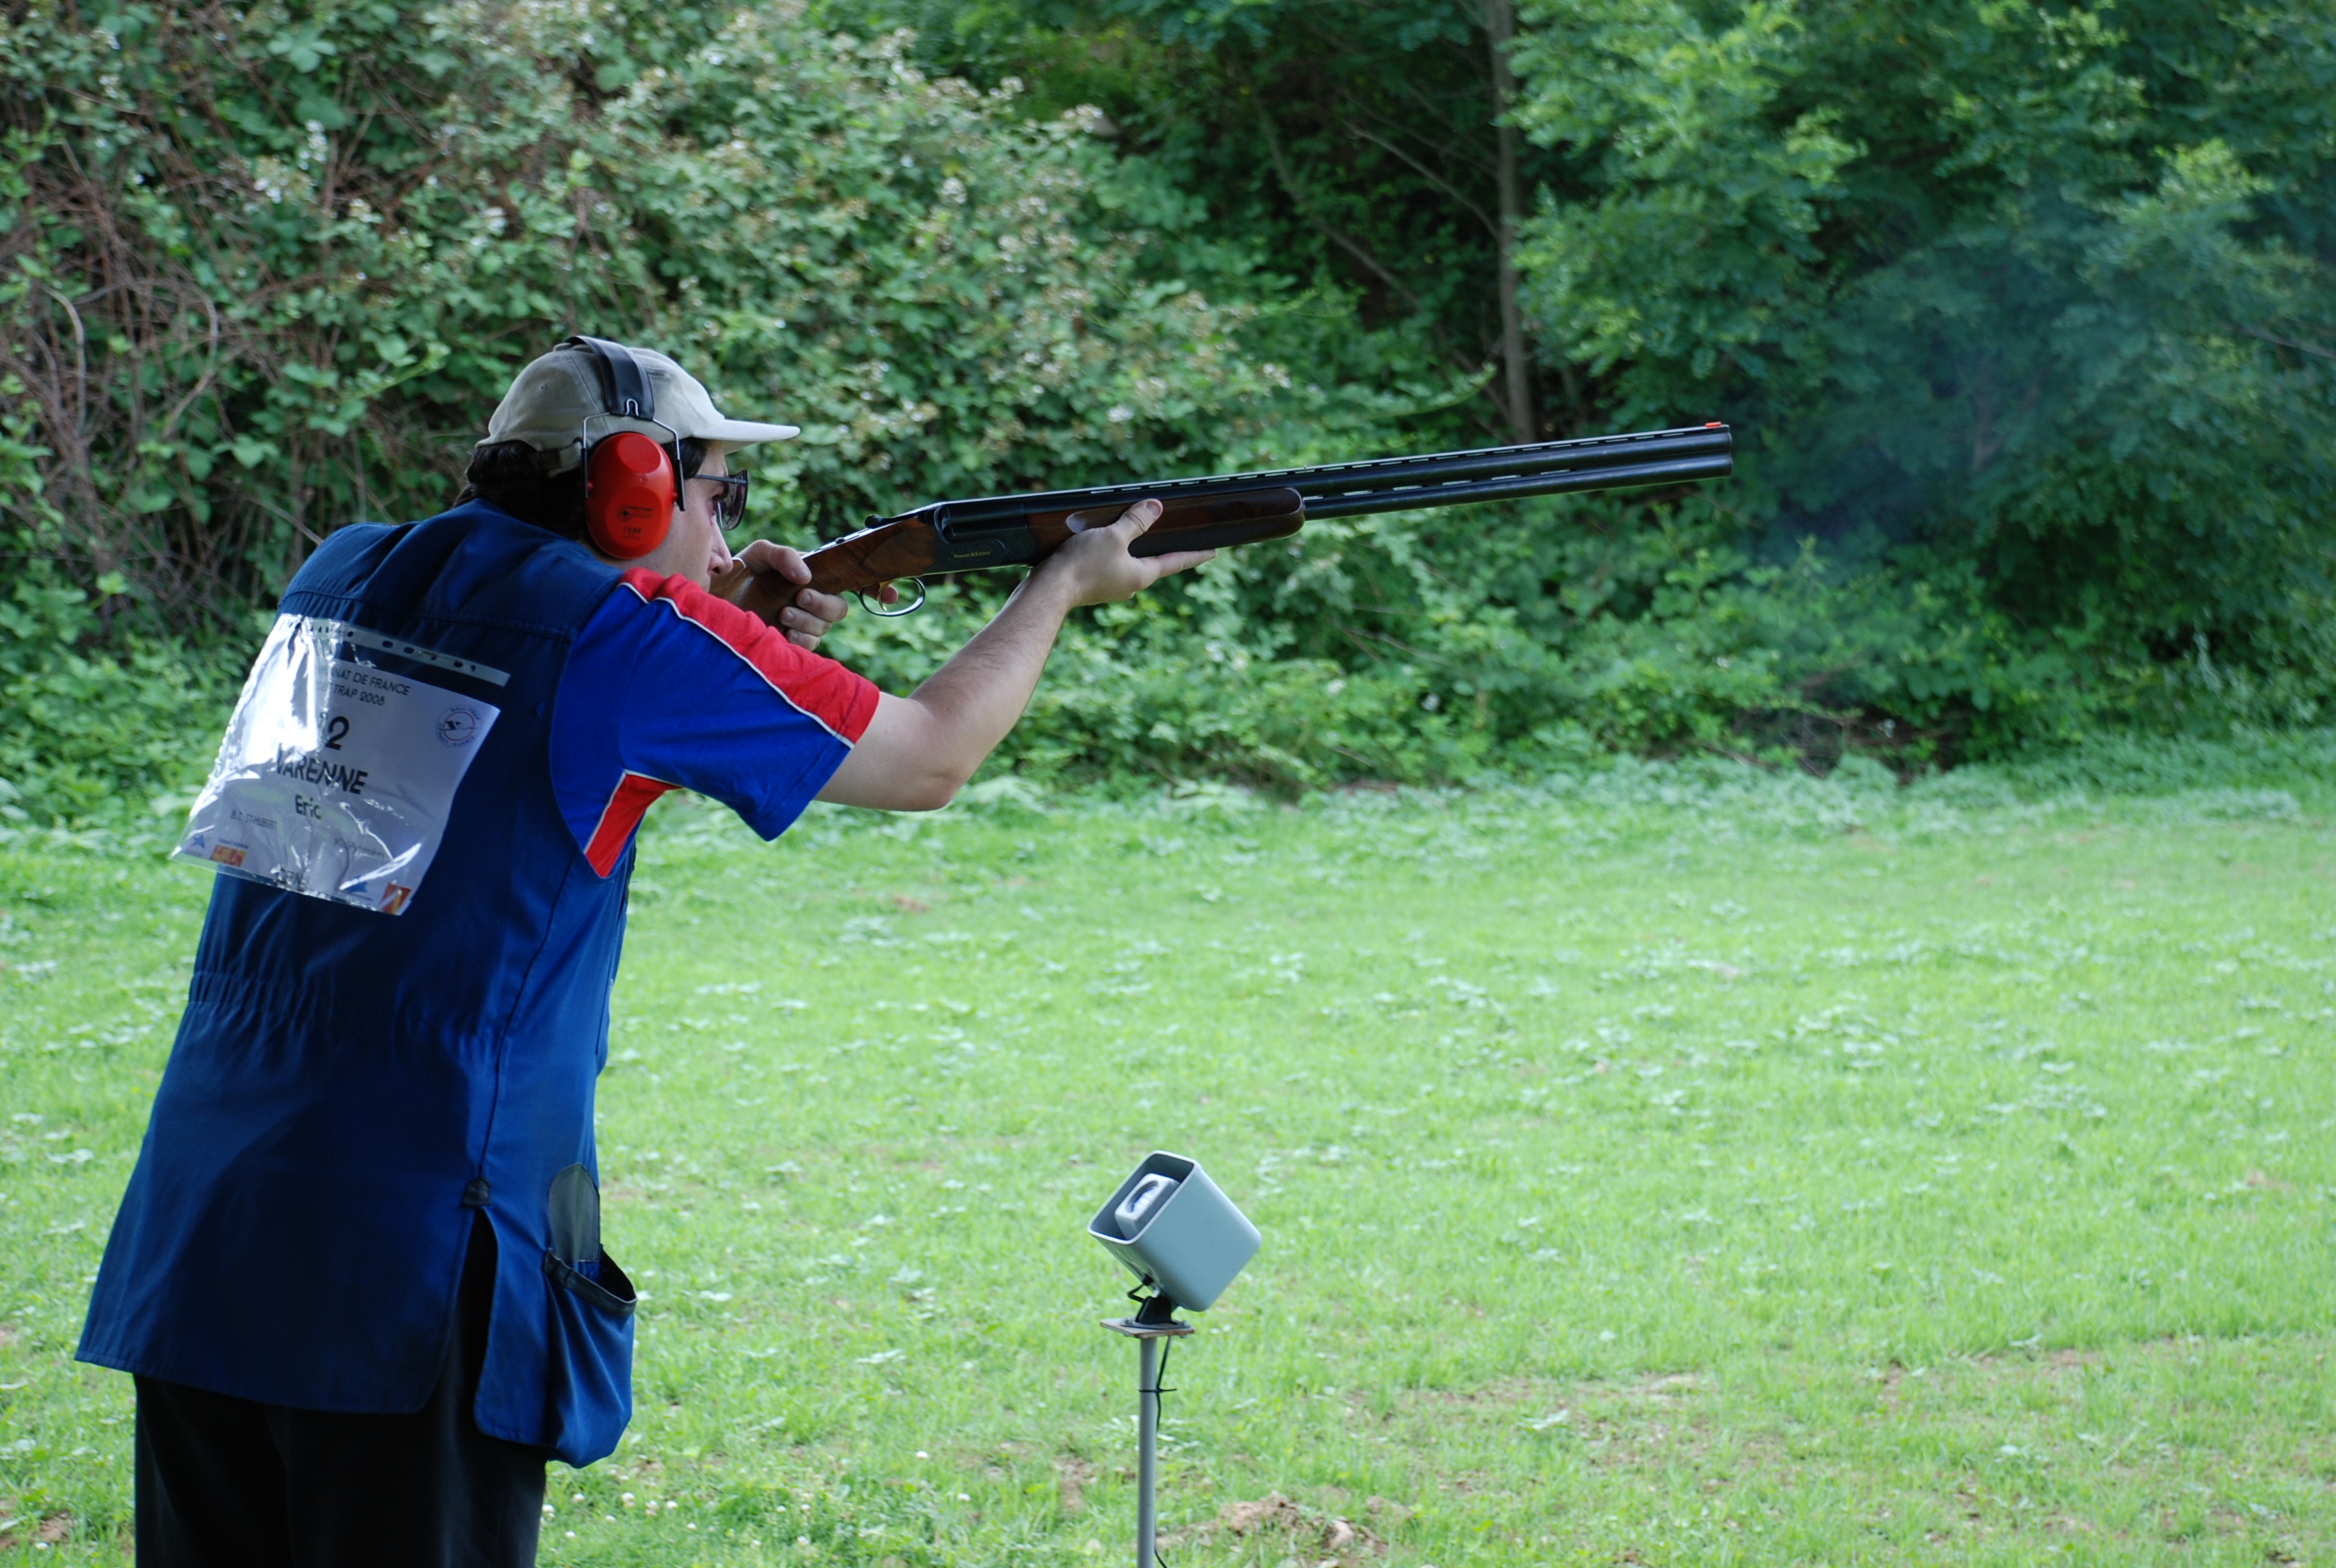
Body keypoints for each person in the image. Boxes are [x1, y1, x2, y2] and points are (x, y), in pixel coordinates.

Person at [75, 336, 1208, 1566]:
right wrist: (1060, 586)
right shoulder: (624, 636)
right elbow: (931, 755)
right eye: (720, 493)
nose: (726, 535)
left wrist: (713, 632)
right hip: (411, 1257)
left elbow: (495, 764)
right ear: (634, 487)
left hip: (207, 1226)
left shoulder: (343, 570)